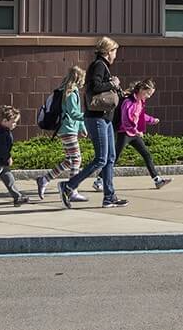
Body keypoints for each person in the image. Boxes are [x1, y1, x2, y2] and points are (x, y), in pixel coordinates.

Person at [61, 36, 126, 208]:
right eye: (114, 51)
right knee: (101, 159)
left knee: (110, 158)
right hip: (96, 118)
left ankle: (109, 197)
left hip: (105, 118)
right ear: (107, 52)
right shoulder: (98, 65)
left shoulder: (103, 66)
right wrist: (112, 83)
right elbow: (94, 87)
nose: (115, 55)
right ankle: (68, 186)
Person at [33, 65, 88, 203]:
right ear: (79, 78)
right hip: (68, 129)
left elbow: (73, 112)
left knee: (70, 160)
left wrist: (82, 127)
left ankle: (44, 179)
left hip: (67, 129)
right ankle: (72, 190)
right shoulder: (70, 91)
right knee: (76, 159)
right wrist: (88, 117)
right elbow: (73, 112)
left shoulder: (65, 90)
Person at [117, 80, 169, 189]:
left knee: (146, 154)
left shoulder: (139, 102)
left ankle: (157, 180)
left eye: (150, 94)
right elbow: (125, 119)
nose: (149, 96)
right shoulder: (128, 101)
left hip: (134, 134)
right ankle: (99, 180)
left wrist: (152, 120)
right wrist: (136, 130)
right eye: (148, 93)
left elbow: (141, 115)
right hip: (124, 133)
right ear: (141, 90)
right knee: (115, 157)